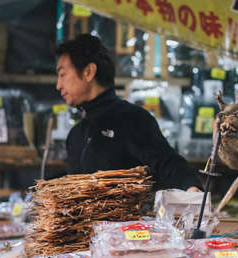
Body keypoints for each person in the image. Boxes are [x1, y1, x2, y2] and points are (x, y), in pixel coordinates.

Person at [55, 33, 202, 192]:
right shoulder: (75, 135)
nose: (58, 85)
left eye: (62, 75)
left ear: (89, 72)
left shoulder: (131, 119)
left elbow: (167, 162)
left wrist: (192, 189)